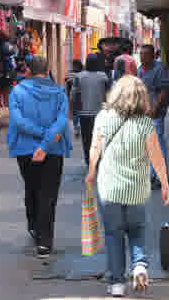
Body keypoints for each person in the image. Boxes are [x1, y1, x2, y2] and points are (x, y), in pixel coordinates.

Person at [84, 75, 169, 297]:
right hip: (137, 189)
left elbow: (95, 148)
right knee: (137, 230)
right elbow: (156, 157)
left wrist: (91, 171)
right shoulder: (145, 123)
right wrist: (164, 183)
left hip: (110, 188)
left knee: (113, 234)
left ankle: (116, 283)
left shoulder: (103, 117)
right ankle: (140, 266)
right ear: (142, 97)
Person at [7, 56, 72, 259]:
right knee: (48, 194)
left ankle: (34, 225)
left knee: (32, 187)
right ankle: (45, 242)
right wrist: (46, 142)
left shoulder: (17, 92)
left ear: (28, 70)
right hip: (53, 148)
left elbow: (18, 121)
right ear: (48, 70)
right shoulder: (60, 93)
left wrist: (38, 137)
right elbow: (61, 121)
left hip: (25, 149)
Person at [137, 44, 169, 190]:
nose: (142, 57)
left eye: (145, 54)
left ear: (152, 56)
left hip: (155, 113)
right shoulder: (140, 70)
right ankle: (152, 174)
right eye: (141, 54)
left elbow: (163, 91)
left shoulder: (159, 69)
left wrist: (155, 108)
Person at [71, 54, 111, 166]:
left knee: (87, 138)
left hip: (84, 114)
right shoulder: (103, 77)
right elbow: (109, 94)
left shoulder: (79, 76)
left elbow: (73, 95)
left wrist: (73, 110)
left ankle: (89, 160)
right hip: (100, 113)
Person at [66, 60, 83, 138]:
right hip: (82, 95)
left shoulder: (69, 74)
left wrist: (68, 96)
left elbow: (67, 86)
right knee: (80, 112)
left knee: (75, 113)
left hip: (73, 96)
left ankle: (76, 127)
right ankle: (79, 126)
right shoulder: (83, 73)